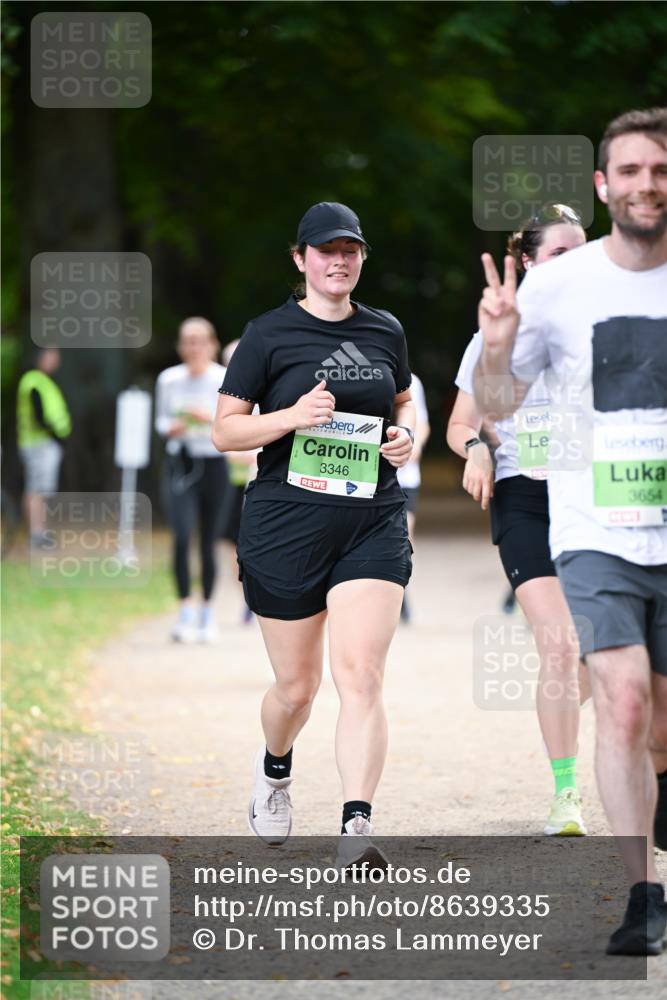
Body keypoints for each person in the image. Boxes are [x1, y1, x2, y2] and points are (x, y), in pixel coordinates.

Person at [473, 108, 667, 956]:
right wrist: (494, 346)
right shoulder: (553, 287)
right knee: (619, 700)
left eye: (656, 171)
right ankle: (640, 896)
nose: (643, 186)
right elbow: (495, 404)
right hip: (589, 523)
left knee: (658, 718)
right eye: (627, 172)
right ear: (603, 185)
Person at [212, 202, 414, 859]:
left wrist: (406, 438)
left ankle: (356, 825)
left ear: (360, 258)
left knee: (361, 675)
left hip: (371, 520)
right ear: (300, 260)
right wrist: (291, 415)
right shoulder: (268, 335)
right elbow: (225, 430)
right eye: (325, 250)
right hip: (285, 523)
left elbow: (403, 399)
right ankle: (274, 768)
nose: (339, 260)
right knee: (297, 690)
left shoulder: (384, 330)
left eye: (350, 250)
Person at [447, 205, 589, 838]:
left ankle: (576, 701)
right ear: (527, 261)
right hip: (526, 500)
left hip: (594, 502)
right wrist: (477, 447)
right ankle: (566, 794)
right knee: (559, 645)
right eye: (560, 252)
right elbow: (458, 424)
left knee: (611, 658)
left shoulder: (601, 328)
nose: (576, 263)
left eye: (583, 250)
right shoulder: (493, 336)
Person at [155, 317, 229, 644]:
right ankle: (185, 610)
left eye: (199, 340)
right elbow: (160, 420)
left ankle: (207, 613)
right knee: (183, 536)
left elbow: (237, 422)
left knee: (209, 540)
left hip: (215, 464)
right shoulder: (169, 379)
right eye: (187, 340)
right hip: (180, 462)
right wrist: (172, 426)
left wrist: (208, 418)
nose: (193, 347)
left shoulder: (224, 378)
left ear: (211, 344)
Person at [218, 339, 259, 624]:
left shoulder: (266, 391)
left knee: (256, 541)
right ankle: (247, 596)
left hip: (256, 480)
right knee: (230, 543)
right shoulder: (221, 394)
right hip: (227, 482)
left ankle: (260, 595)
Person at [16, 348, 71, 547]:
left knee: (40, 489)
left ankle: (40, 532)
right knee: (36, 489)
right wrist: (54, 434)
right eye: (52, 356)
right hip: (38, 443)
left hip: (43, 443)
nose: (56, 360)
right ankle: (36, 534)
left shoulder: (44, 381)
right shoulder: (34, 381)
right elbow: (38, 414)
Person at [396, 372, 430, 622]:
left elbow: (423, 423)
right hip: (372, 476)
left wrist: (414, 446)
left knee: (405, 534)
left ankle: (400, 590)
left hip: (406, 477)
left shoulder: (412, 381)